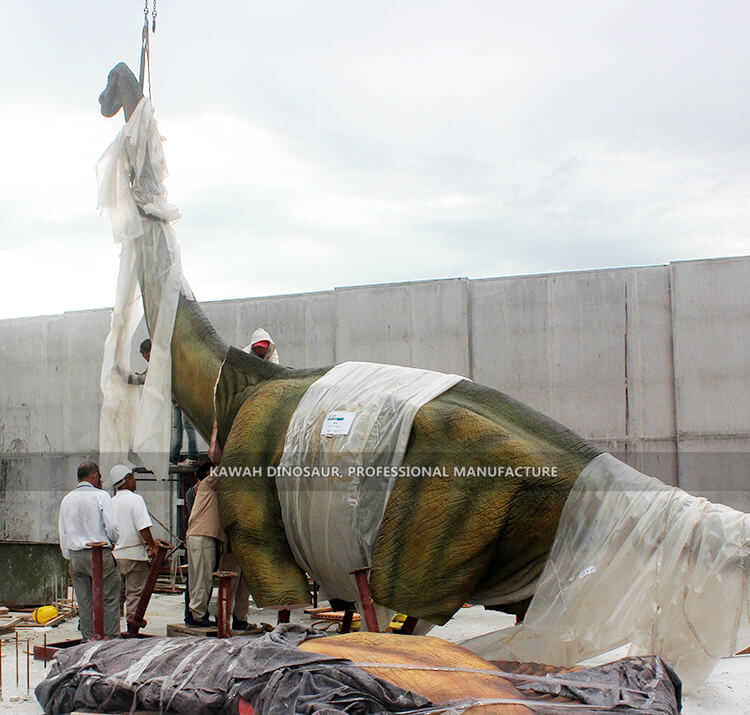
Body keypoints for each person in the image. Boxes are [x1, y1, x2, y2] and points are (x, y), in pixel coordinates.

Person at [58, 462, 121, 640]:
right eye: (99, 477)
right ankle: (111, 639)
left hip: (76, 555)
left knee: (84, 602)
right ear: (93, 476)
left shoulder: (67, 499)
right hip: (99, 554)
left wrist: (69, 556)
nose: (101, 481)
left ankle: (88, 639)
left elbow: (62, 531)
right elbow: (112, 526)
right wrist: (113, 542)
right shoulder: (101, 496)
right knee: (109, 597)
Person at [130, 338, 198, 465]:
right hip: (177, 398)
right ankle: (173, 458)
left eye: (147, 356)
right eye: (145, 358)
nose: (147, 359)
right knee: (177, 429)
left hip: (184, 396)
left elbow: (147, 378)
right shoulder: (158, 361)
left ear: (151, 351)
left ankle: (193, 456)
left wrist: (131, 379)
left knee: (187, 427)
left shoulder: (162, 360)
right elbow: (146, 376)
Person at [111, 464, 156, 625]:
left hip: (116, 556)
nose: (135, 481)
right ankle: (132, 630)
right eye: (133, 478)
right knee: (135, 595)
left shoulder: (111, 502)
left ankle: (112, 631)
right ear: (127, 480)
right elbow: (143, 527)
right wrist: (153, 545)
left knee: (116, 597)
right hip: (135, 556)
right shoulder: (136, 500)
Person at [185, 468, 224, 626]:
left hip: (199, 536)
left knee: (197, 579)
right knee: (202, 578)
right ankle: (198, 616)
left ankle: (196, 614)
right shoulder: (207, 485)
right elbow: (225, 468)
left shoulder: (205, 491)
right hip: (203, 537)